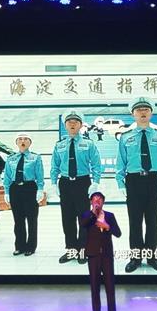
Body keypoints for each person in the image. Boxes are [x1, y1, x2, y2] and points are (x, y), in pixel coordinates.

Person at [116, 97, 157, 273]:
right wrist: (120, 183)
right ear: (133, 114)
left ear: (151, 113)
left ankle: (152, 256)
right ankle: (136, 257)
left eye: (146, 109)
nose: (143, 112)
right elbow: (121, 161)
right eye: (139, 110)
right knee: (135, 222)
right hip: (133, 181)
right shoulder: (125, 137)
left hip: (153, 181)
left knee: (152, 222)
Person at [51, 109, 102, 264]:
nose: (72, 124)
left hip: (82, 183)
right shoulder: (59, 145)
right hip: (65, 183)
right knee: (67, 218)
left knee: (84, 218)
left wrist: (95, 182)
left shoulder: (88, 144)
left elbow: (96, 164)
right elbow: (55, 166)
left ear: (81, 125)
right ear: (65, 125)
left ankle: (83, 250)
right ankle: (71, 250)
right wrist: (53, 182)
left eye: (76, 122)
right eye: (69, 122)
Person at [79, 192, 121, 311]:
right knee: (94, 286)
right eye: (94, 199)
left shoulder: (109, 215)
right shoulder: (86, 215)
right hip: (93, 255)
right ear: (91, 202)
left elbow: (118, 233)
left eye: (100, 199)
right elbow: (83, 224)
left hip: (107, 255)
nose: (97, 201)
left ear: (103, 202)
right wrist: (93, 213)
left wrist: (107, 226)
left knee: (110, 286)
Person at [3, 133, 44, 256]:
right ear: (16, 142)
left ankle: (31, 246)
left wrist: (40, 190)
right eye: (20, 139)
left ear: (30, 142)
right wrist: (6, 192)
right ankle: (19, 246)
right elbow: (7, 176)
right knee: (18, 219)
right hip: (15, 189)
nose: (23, 141)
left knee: (32, 219)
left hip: (30, 188)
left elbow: (39, 175)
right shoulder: (11, 158)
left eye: (26, 139)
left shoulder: (35, 157)